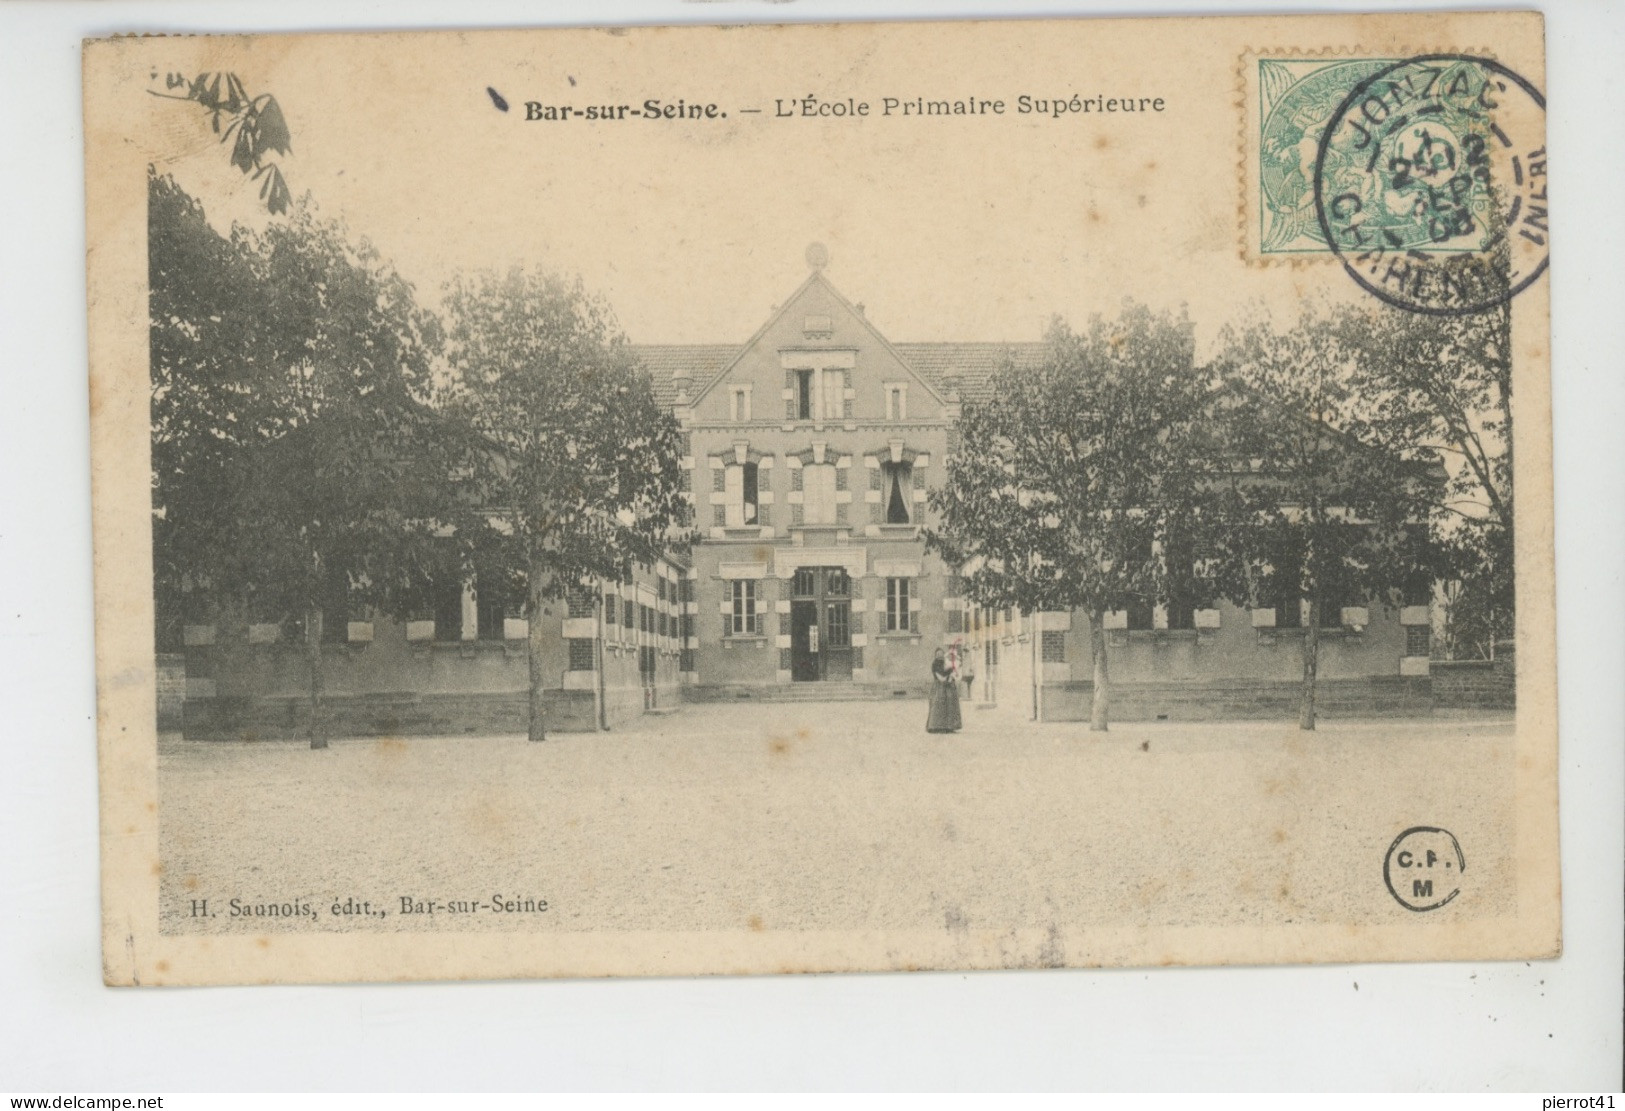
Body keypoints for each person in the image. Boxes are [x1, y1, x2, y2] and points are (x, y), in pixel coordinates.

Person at [926, 647, 962, 734]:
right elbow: (939, 676)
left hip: (949, 686)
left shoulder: (946, 662)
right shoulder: (935, 664)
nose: (940, 655)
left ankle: (950, 726)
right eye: (938, 654)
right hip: (939, 687)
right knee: (939, 705)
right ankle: (936, 726)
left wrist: (952, 673)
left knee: (950, 706)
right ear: (935, 655)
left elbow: (954, 671)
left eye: (941, 654)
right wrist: (947, 676)